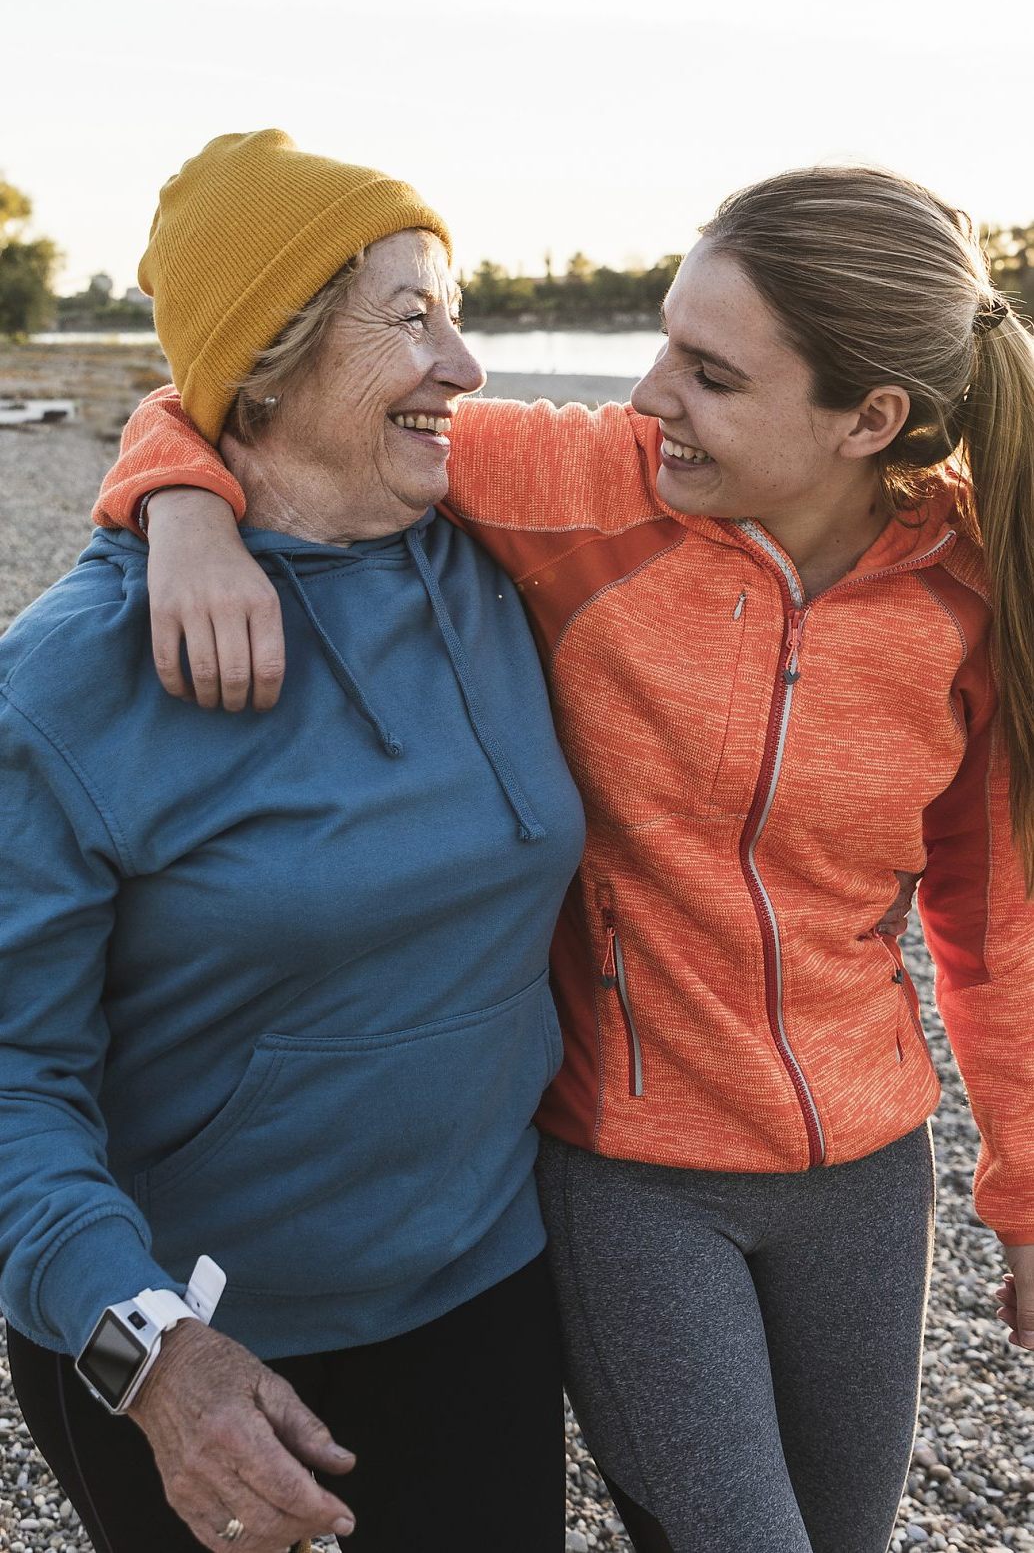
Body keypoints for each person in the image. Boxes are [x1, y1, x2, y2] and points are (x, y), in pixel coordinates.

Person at [95, 163, 1034, 1553]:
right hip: (629, 1171)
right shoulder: (585, 487)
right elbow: (264, 407)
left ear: (869, 419)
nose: (651, 393)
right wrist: (178, 509)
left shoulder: (964, 583)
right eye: (660, 339)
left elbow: (991, 920)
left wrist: (1019, 1198)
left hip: (866, 1170)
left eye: (709, 373)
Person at [0, 129, 587, 1553]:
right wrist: (146, 1352)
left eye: (454, 311)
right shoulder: (73, 680)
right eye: (409, 318)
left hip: (484, 1289)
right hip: (195, 1337)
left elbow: (763, 451)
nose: (464, 363)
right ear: (267, 360)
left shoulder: (508, 553)